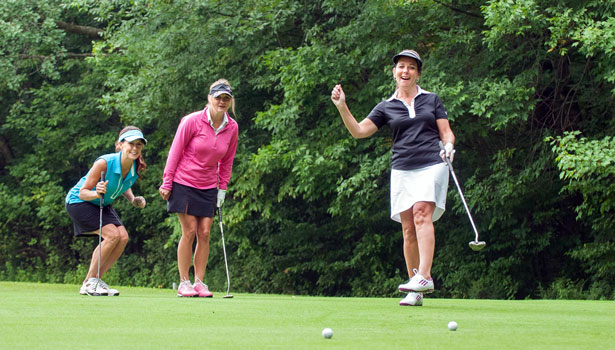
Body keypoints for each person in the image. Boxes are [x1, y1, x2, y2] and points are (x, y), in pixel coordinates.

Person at [331, 49, 455, 306]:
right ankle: (416, 289)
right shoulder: (386, 106)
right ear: (394, 72)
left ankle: (425, 276)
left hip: (433, 162)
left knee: (422, 212)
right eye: (401, 67)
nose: (405, 71)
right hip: (402, 169)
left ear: (418, 73)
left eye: (411, 67)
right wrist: (342, 106)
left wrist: (449, 146)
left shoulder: (432, 100)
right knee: (408, 228)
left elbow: (447, 132)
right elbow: (359, 132)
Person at [159, 79, 239, 297]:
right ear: (209, 98)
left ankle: (199, 282)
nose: (222, 102)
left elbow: (227, 160)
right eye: (218, 98)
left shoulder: (232, 127)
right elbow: (175, 151)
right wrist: (167, 181)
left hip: (208, 185)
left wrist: (222, 188)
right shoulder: (192, 121)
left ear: (230, 101)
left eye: (226, 98)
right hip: (183, 182)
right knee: (190, 230)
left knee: (204, 233)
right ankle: (184, 281)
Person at [66, 126, 148, 296]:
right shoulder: (104, 162)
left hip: (101, 204)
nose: (135, 148)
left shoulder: (135, 166)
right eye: (131, 143)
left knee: (123, 237)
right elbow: (83, 191)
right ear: (120, 144)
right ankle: (88, 282)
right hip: (79, 201)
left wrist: (133, 199)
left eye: (139, 145)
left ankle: (96, 280)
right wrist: (96, 192)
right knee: (112, 235)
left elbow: (122, 185)